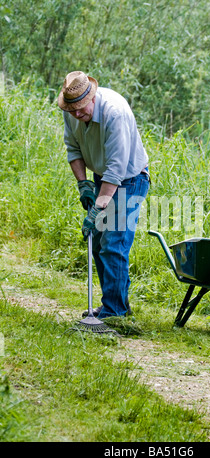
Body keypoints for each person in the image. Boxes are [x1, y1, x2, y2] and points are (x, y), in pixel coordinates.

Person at [57, 71, 150, 319]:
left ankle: (115, 311)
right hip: (102, 178)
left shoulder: (114, 113)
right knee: (98, 244)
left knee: (113, 244)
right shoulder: (72, 113)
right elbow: (73, 148)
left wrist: (99, 207)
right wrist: (83, 184)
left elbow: (117, 168)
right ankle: (116, 303)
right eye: (72, 109)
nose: (76, 114)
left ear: (93, 97)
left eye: (80, 108)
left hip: (129, 180)